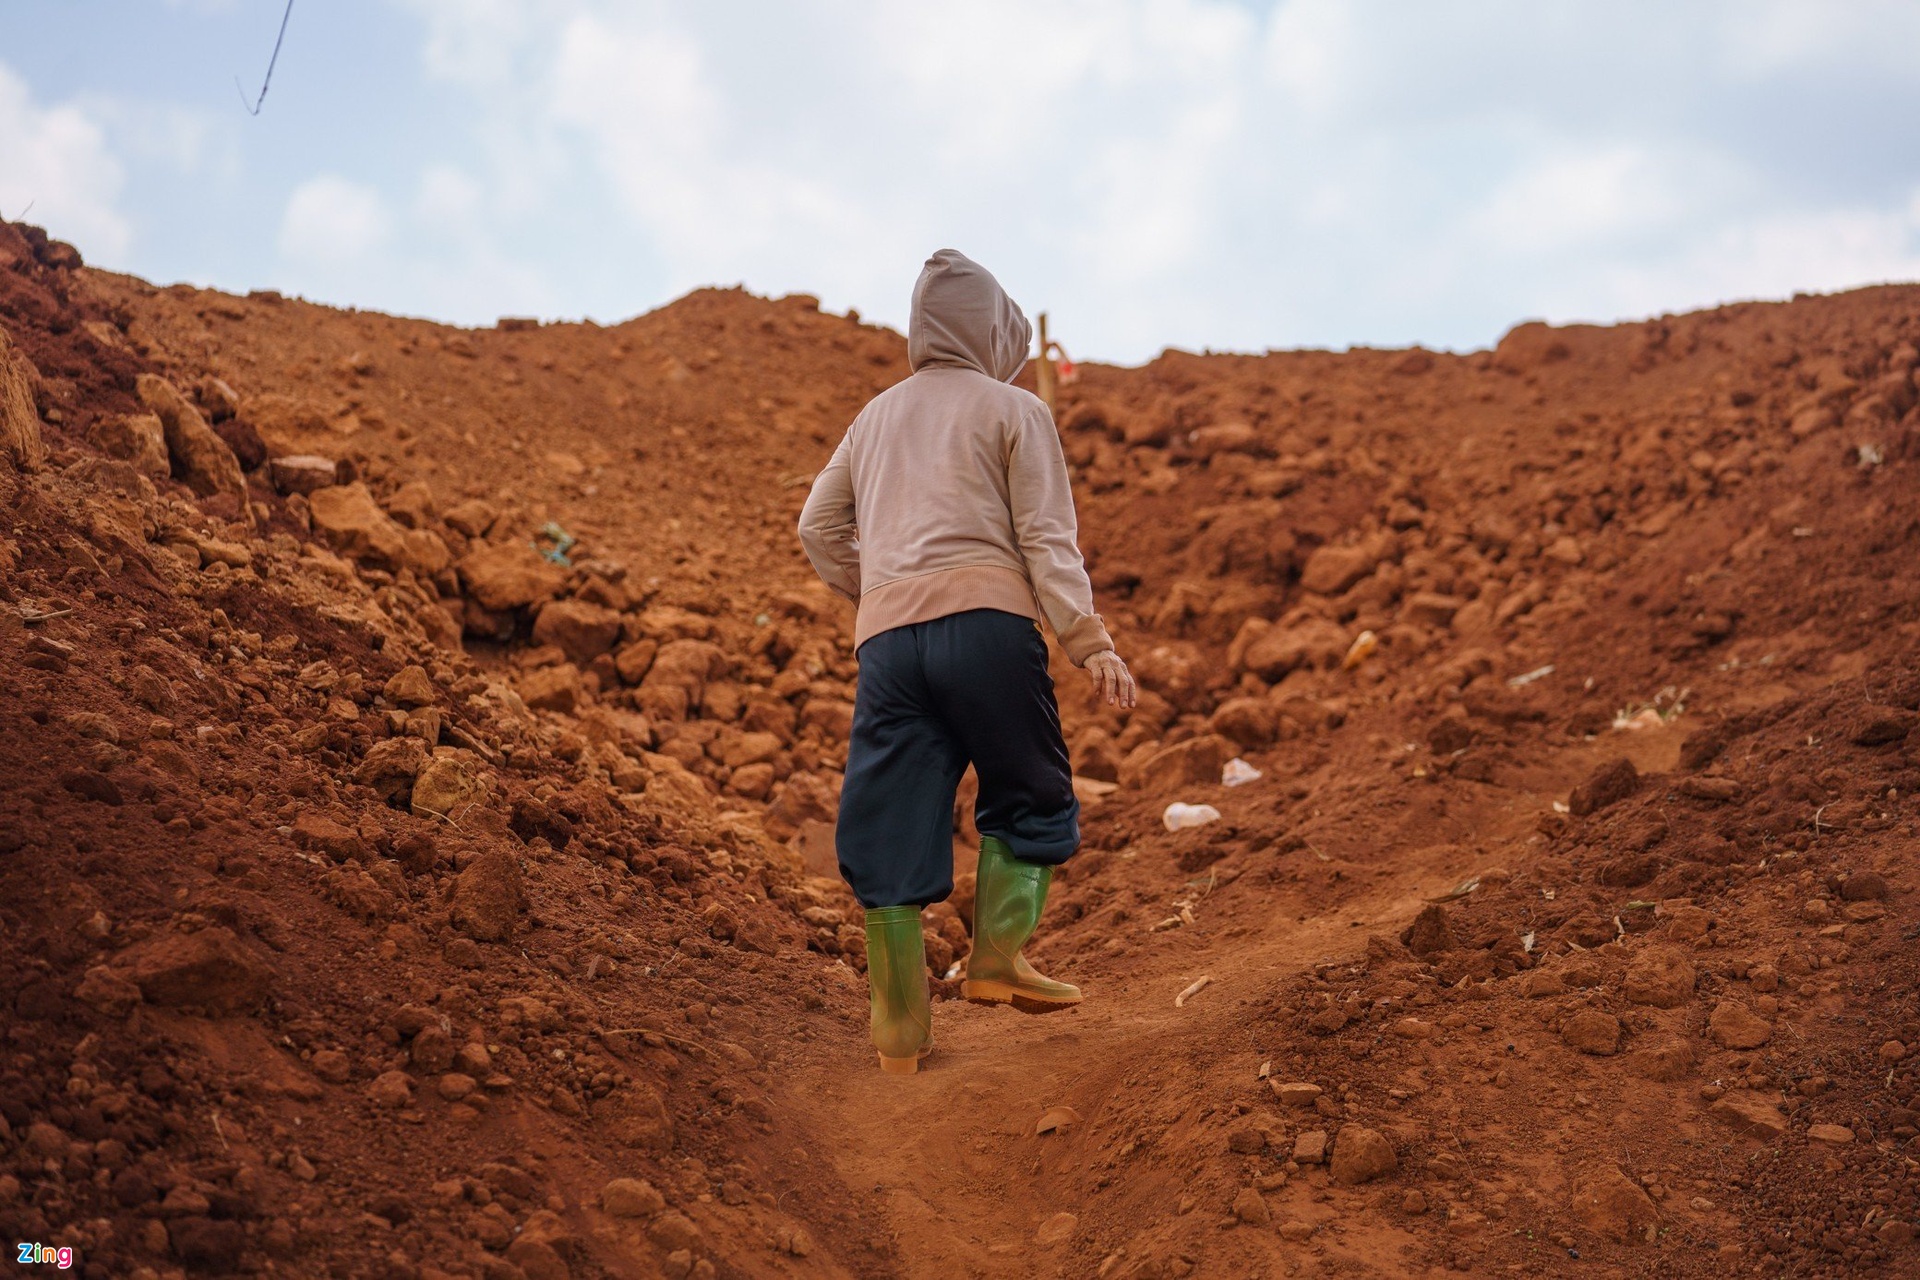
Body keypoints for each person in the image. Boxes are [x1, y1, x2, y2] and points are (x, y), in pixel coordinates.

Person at [798, 249, 1137, 1075]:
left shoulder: (873, 418)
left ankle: (899, 1033)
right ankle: (994, 962)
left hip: (887, 643)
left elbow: (816, 526)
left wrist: (877, 593)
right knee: (1026, 782)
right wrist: (1088, 639)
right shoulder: (1013, 408)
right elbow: (1046, 539)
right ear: (993, 331)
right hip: (987, 626)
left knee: (889, 811)